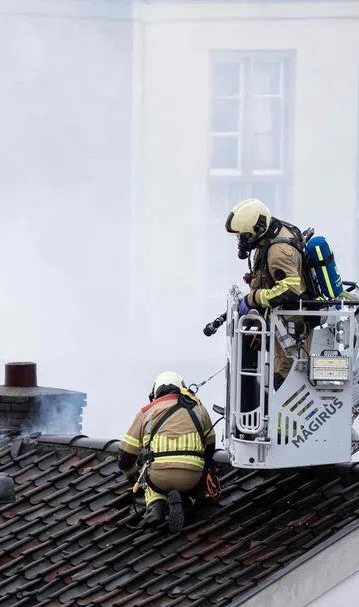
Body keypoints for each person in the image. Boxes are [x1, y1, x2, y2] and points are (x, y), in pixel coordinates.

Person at [117, 371, 217, 532]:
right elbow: (210, 448)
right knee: (194, 482)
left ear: (154, 393)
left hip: (159, 476)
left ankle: (155, 505)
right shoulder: (199, 409)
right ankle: (185, 501)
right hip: (192, 477)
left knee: (148, 473)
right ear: (182, 389)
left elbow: (125, 457)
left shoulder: (146, 412)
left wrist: (132, 476)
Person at [225, 197, 308, 384]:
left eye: (244, 236)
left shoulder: (278, 251)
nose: (242, 241)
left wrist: (252, 298)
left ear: (258, 230)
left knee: (285, 378)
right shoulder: (269, 238)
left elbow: (289, 291)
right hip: (281, 324)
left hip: (291, 329)